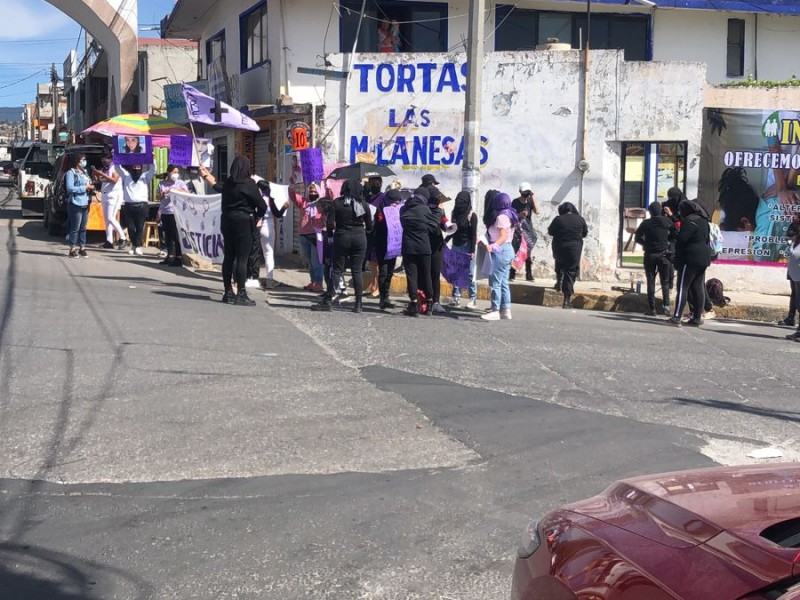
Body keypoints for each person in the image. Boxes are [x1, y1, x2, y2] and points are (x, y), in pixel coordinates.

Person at [199, 156, 266, 306]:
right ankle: (241, 292)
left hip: (227, 220)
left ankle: (228, 291)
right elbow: (262, 205)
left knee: (229, 256)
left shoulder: (229, 183)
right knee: (242, 258)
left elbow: (217, 186)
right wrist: (257, 217)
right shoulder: (249, 184)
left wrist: (206, 175)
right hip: (243, 221)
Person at [312, 179, 373, 313]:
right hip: (359, 237)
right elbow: (370, 226)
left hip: (342, 236)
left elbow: (330, 223)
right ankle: (358, 304)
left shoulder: (337, 203)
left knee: (337, 269)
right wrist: (363, 234)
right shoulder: (364, 204)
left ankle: (328, 301)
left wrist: (330, 237)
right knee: (356, 270)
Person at [669, 200, 712, 327]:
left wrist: (677, 259)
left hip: (690, 258)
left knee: (683, 287)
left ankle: (677, 317)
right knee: (698, 287)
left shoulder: (689, 221)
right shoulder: (704, 221)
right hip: (703, 258)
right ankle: (697, 317)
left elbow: (682, 241)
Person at [635, 201, 677, 316]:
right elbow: (676, 233)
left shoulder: (646, 223)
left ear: (651, 212)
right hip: (664, 255)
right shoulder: (667, 221)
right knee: (665, 282)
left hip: (649, 255)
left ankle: (652, 309)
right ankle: (666, 307)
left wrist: (646, 243)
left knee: (650, 281)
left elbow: (637, 238)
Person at [400, 187, 436, 316]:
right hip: (424, 247)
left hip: (408, 247)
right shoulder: (425, 210)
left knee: (411, 276)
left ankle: (414, 304)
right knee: (426, 275)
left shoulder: (404, 209)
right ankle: (430, 304)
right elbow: (433, 227)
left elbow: (402, 223)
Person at [480, 192, 517, 320]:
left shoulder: (501, 217)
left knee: (495, 282)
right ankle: (506, 309)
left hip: (500, 251)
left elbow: (503, 236)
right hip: (508, 250)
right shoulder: (510, 214)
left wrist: (493, 246)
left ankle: (495, 310)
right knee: (503, 282)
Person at [547, 202, 588, 309]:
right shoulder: (580, 219)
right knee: (571, 271)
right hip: (574, 248)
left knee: (559, 263)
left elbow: (550, 232)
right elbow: (585, 233)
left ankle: (559, 282)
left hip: (559, 247)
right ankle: (566, 300)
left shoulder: (558, 219)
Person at [254, 178, 289, 290]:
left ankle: (252, 277)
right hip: (268, 227)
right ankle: (269, 280)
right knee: (268, 253)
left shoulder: (255, 198)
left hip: (256, 226)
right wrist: (284, 207)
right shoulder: (270, 199)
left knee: (253, 252)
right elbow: (277, 214)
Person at [292, 182, 325, 293]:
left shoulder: (322, 204)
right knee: (309, 261)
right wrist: (292, 184)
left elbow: (330, 198)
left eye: (315, 191)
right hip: (304, 235)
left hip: (317, 235)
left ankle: (319, 283)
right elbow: (292, 196)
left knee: (317, 261)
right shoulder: (304, 202)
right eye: (311, 191)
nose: (312, 193)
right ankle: (313, 281)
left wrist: (327, 184)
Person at [374, 188, 404, 310]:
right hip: (382, 245)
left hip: (394, 245)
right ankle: (383, 298)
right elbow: (379, 224)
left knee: (390, 272)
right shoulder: (381, 210)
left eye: (397, 202)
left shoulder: (399, 210)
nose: (395, 204)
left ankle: (386, 296)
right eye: (393, 201)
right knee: (383, 271)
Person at [116, 163, 156, 256]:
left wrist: (153, 159)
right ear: (131, 168)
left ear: (141, 168)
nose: (136, 169)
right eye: (134, 167)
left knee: (139, 227)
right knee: (130, 228)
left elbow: (154, 170)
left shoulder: (145, 176)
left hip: (142, 205)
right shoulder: (126, 176)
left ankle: (137, 246)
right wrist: (116, 157)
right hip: (129, 205)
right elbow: (118, 168)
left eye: (138, 167)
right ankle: (134, 244)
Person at [448, 191, 478, 308]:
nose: (459, 203)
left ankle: (472, 299)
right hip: (456, 245)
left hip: (467, 246)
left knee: (469, 273)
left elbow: (473, 234)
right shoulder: (454, 212)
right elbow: (453, 229)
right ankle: (456, 297)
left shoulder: (472, 215)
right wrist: (446, 240)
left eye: (462, 201)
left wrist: (472, 251)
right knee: (456, 271)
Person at [91, 152, 126, 249]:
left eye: (105, 159)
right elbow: (99, 181)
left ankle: (123, 237)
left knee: (111, 217)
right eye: (102, 160)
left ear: (110, 159)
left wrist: (102, 174)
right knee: (107, 219)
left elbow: (114, 180)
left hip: (114, 195)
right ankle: (109, 240)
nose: (104, 161)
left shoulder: (116, 167)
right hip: (105, 194)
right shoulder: (104, 169)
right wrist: (96, 174)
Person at [156, 165, 189, 267]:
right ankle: (169, 255)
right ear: (168, 173)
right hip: (165, 212)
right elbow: (158, 197)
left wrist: (174, 190)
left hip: (176, 212)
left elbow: (187, 193)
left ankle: (178, 257)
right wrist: (163, 193)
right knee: (168, 235)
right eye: (174, 172)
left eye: (177, 172)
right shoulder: (162, 183)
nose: (176, 174)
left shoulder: (180, 183)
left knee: (176, 235)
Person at [64, 153, 95, 258]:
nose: (84, 162)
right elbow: (70, 188)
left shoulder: (85, 172)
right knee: (75, 227)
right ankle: (72, 249)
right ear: (77, 161)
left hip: (85, 202)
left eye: (84, 160)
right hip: (75, 202)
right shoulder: (70, 173)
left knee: (83, 227)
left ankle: (82, 248)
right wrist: (84, 188)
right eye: (82, 160)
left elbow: (89, 183)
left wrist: (91, 187)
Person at [427, 187, 451, 314]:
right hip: (426, 244)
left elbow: (444, 226)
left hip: (437, 245)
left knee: (435, 273)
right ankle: (426, 300)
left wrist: (447, 223)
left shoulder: (440, 210)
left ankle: (435, 301)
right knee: (427, 273)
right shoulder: (425, 209)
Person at [512, 182, 539, 281]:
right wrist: (520, 215)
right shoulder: (515, 202)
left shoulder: (530, 202)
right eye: (524, 192)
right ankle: (512, 272)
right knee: (515, 250)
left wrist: (533, 197)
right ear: (520, 192)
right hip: (517, 229)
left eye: (528, 192)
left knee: (528, 252)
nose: (526, 194)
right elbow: (511, 215)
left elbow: (537, 211)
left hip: (527, 230)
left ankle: (529, 274)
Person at [365, 176, 385, 298]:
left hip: (379, 232)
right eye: (372, 183)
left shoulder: (383, 198)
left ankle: (377, 288)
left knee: (377, 261)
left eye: (377, 183)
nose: (375, 185)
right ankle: (373, 285)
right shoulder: (367, 197)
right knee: (371, 262)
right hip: (369, 232)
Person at [778, 217, 800, 327]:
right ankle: (791, 317)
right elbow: (789, 236)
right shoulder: (794, 224)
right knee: (795, 292)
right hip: (795, 266)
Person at [785, 223, 800, 342]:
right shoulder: (795, 244)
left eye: (792, 236)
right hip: (796, 277)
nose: (790, 238)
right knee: (798, 303)